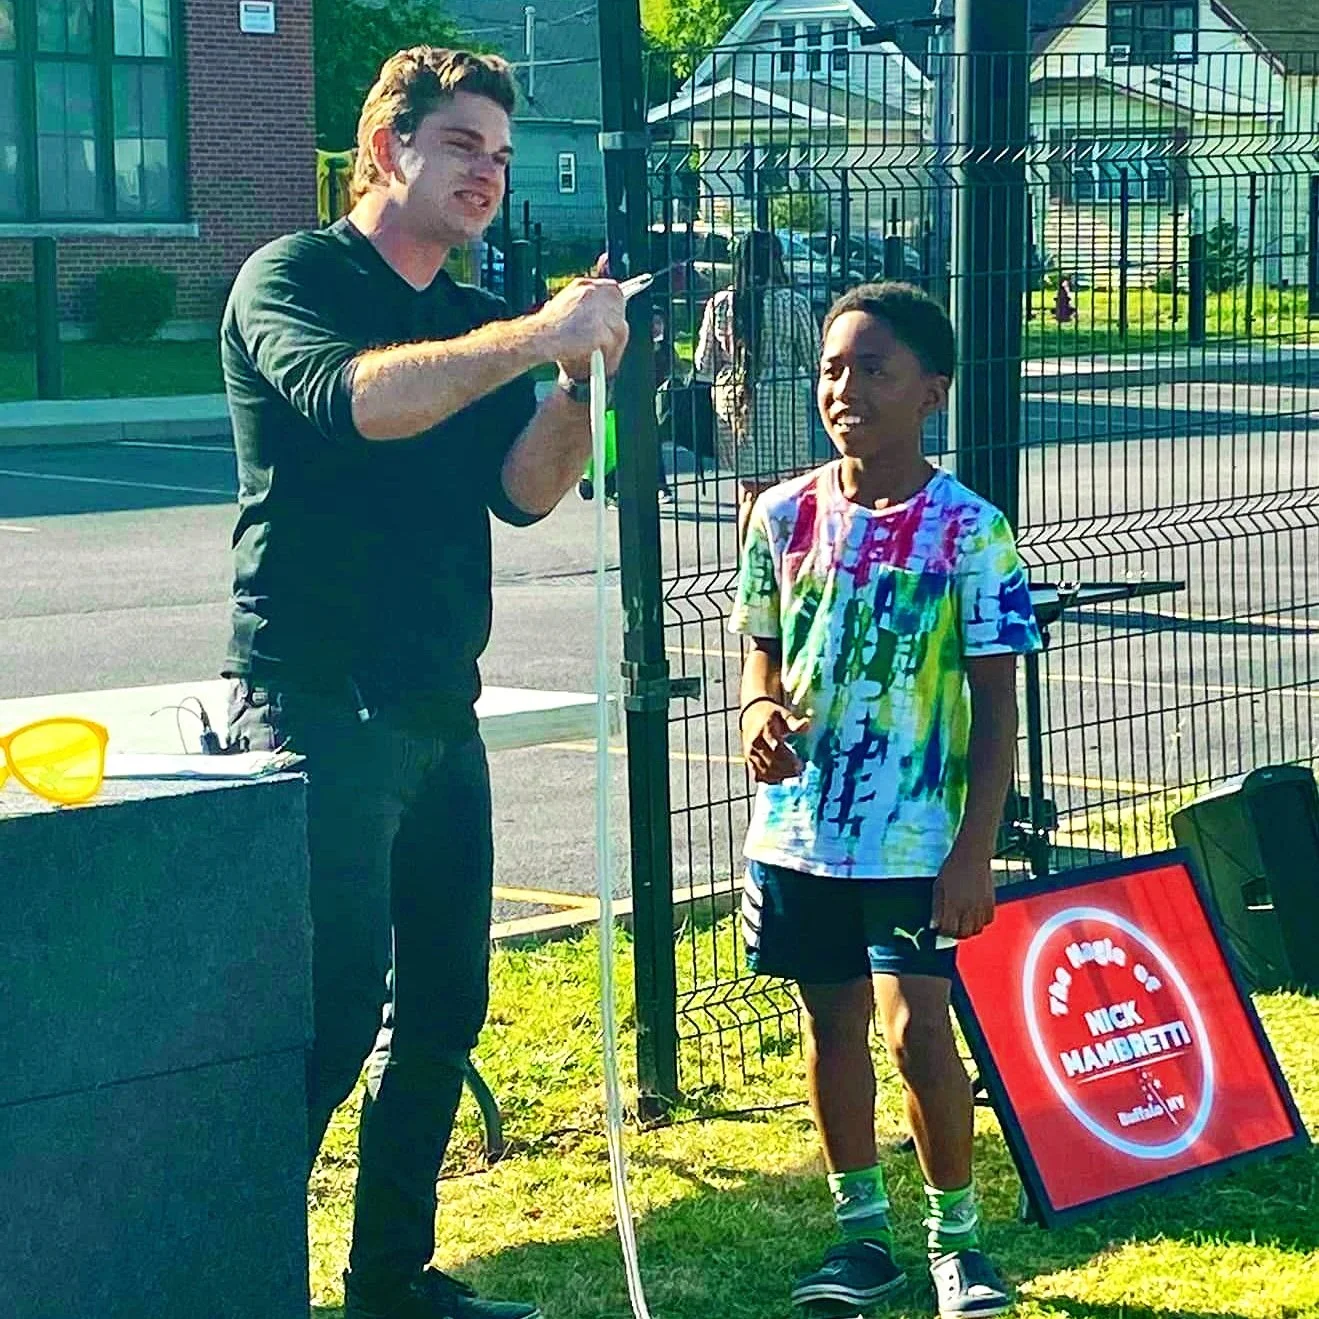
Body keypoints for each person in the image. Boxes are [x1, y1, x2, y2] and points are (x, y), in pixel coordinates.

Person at [219, 47, 628, 1319]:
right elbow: (355, 404)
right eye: (464, 147)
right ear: (389, 146)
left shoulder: (471, 318)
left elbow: (520, 491)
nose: (489, 176)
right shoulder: (294, 278)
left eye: (502, 157)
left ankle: (388, 1279)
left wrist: (571, 381)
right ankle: (220, 1270)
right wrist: (528, 336)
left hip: (437, 703)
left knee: (445, 1002)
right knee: (328, 1014)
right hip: (312, 698)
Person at [730, 283, 1041, 1319]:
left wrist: (971, 849)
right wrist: (756, 710)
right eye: (830, 367)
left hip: (914, 839)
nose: (843, 387)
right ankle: (859, 1235)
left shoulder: (970, 530)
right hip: (800, 836)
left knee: (916, 1031)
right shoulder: (779, 515)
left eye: (873, 368)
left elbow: (995, 709)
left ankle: (957, 1241)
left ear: (931, 392)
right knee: (830, 1027)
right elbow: (759, 655)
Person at [694, 229, 820, 544]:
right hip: (783, 398)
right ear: (777, 259)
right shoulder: (793, 303)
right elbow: (814, 359)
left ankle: (749, 568)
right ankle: (784, 561)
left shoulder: (721, 303)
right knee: (789, 489)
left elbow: (704, 364)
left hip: (736, 399)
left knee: (750, 491)